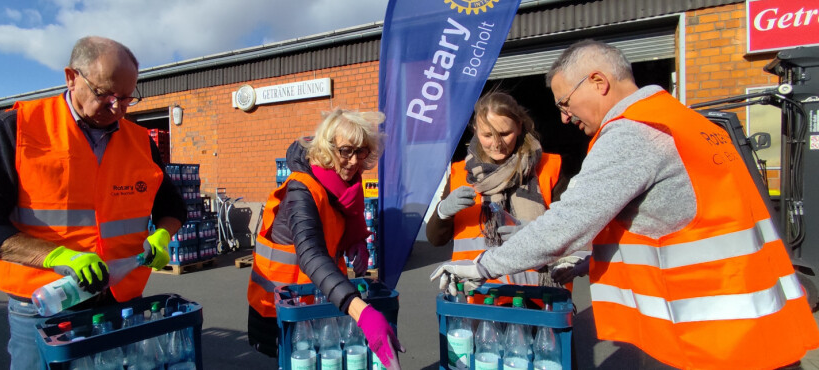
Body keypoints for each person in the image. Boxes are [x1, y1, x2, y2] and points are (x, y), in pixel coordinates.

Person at [430, 39, 819, 369]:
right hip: (748, 319)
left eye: (565, 103)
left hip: (713, 334)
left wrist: (481, 266)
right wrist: (588, 260)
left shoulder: (634, 131)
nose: (565, 118)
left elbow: (570, 219)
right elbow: (671, 222)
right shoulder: (682, 121)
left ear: (598, 82)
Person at [0, 36, 187, 369]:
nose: (117, 108)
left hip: (120, 303)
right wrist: (56, 256)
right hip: (45, 307)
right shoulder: (17, 129)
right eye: (105, 94)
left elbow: (172, 207)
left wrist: (162, 235)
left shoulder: (140, 141)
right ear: (71, 77)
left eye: (127, 98)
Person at [246, 108, 404, 369]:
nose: (353, 161)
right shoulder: (301, 189)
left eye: (361, 151)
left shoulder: (346, 189)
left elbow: (332, 232)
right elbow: (310, 253)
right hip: (283, 310)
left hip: (322, 301)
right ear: (327, 148)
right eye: (345, 151)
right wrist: (361, 313)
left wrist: (353, 242)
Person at [425, 91, 588, 293]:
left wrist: (535, 234)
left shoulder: (550, 167)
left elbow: (574, 230)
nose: (496, 144)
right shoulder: (460, 174)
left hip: (537, 299)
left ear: (519, 126)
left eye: (504, 134)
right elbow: (435, 239)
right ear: (475, 130)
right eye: (487, 135)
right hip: (477, 297)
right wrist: (443, 211)